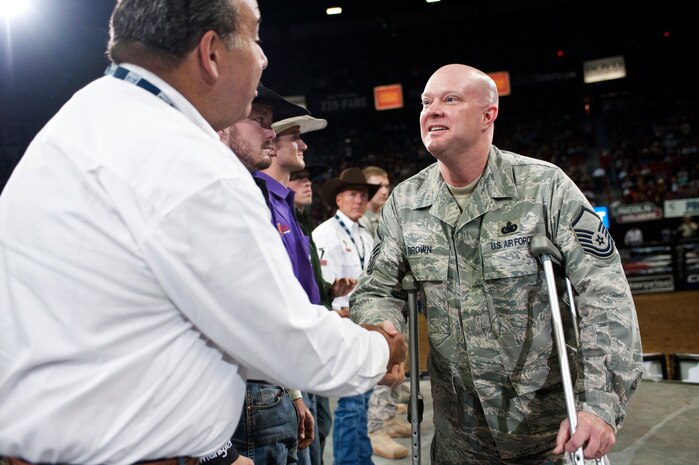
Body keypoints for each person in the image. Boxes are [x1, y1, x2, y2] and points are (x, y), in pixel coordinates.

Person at [0, 1, 406, 464]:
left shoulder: (81, 119)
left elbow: (152, 327)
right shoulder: (185, 159)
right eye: (254, 38)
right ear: (211, 54)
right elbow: (285, 337)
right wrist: (380, 348)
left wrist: (216, 450)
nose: (263, 58)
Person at [350, 64, 643, 465]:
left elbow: (606, 295)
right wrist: (382, 333)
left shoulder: (545, 187)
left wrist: (600, 403)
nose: (432, 110)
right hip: (460, 439)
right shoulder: (405, 203)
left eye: (450, 99)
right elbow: (378, 288)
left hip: (552, 435)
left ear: (488, 114)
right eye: (426, 102)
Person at [218, 85, 318, 464]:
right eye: (259, 120)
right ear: (222, 128)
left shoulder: (248, 195)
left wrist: (292, 390)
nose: (271, 132)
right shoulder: (222, 198)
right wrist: (217, 453)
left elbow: (275, 304)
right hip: (249, 389)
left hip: (276, 378)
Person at [256, 110, 330, 465]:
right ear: (272, 140)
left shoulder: (286, 206)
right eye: (295, 136)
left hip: (296, 365)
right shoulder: (258, 201)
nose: (304, 144)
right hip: (274, 374)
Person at [313, 169, 401, 464]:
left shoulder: (365, 233)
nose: (359, 200)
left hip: (364, 323)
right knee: (351, 401)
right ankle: (349, 461)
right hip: (342, 322)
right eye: (352, 194)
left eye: (363, 195)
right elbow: (323, 287)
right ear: (338, 199)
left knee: (362, 398)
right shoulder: (326, 233)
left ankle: (361, 458)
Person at [288, 164, 354, 465]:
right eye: (298, 178)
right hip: (301, 348)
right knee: (307, 440)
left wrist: (329, 290)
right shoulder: (285, 222)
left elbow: (307, 283)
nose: (306, 183)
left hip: (316, 343)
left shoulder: (300, 221)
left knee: (321, 425)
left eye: (307, 179)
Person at [360, 166, 412, 459]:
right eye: (376, 186)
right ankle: (376, 428)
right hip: (374, 305)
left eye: (386, 184)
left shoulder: (384, 219)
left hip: (395, 303)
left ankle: (389, 418)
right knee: (382, 365)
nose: (383, 190)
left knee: (397, 362)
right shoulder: (363, 223)